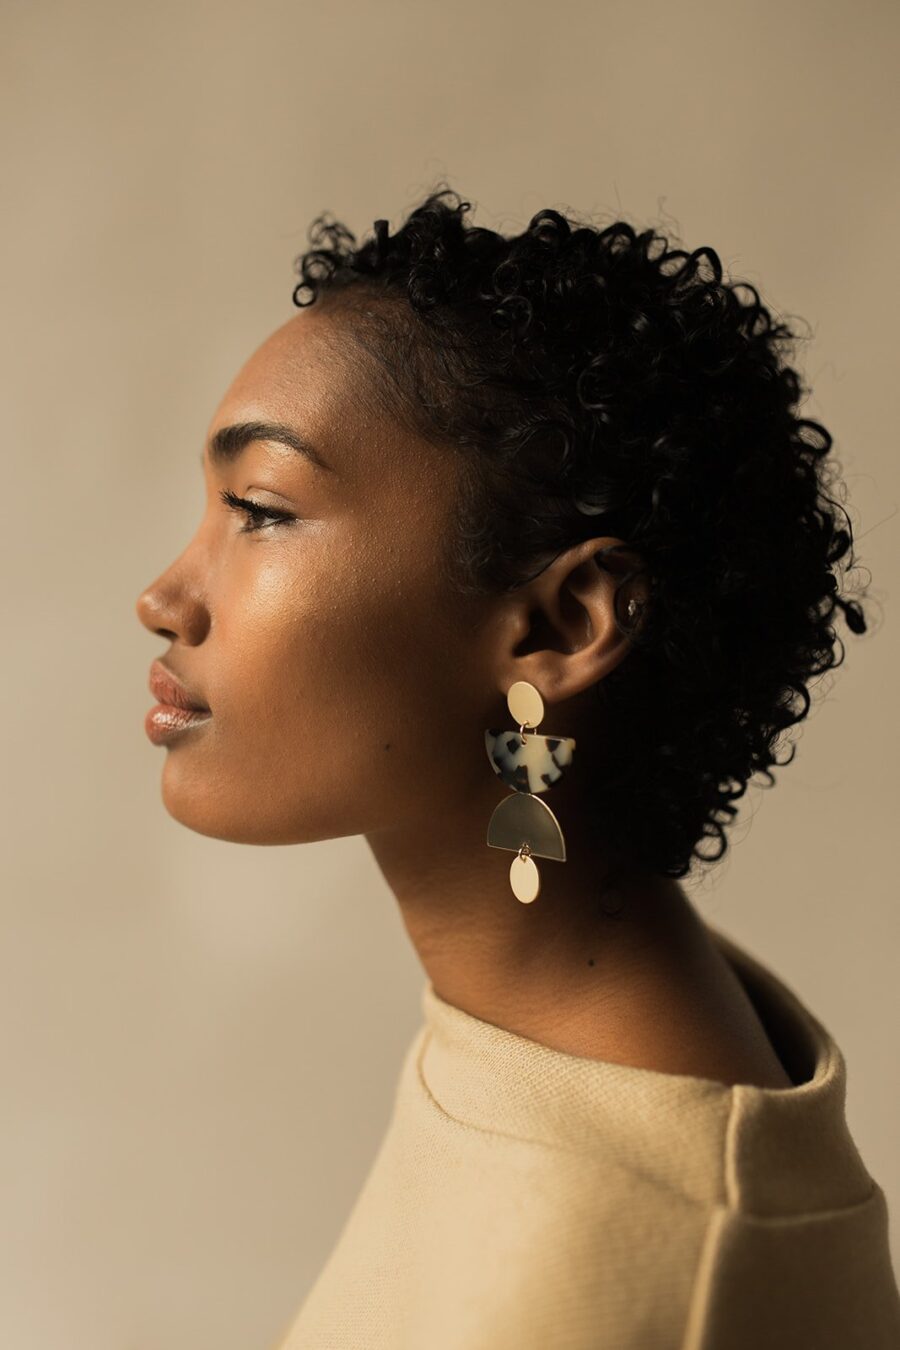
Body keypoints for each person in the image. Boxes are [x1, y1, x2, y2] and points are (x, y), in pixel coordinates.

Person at [136, 186, 900, 1348]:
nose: (164, 600)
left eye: (262, 509)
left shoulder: (603, 1277)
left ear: (562, 623)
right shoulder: (567, 1037)